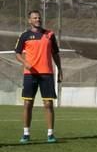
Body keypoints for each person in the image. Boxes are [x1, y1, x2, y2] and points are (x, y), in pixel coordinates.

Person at [14, 10, 63, 143]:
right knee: (27, 103)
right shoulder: (24, 36)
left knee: (48, 104)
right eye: (34, 18)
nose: (38, 19)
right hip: (30, 74)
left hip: (46, 73)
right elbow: (17, 53)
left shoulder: (50, 35)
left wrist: (60, 69)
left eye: (39, 18)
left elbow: (55, 54)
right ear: (29, 20)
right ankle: (26, 133)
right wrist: (25, 63)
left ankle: (50, 134)